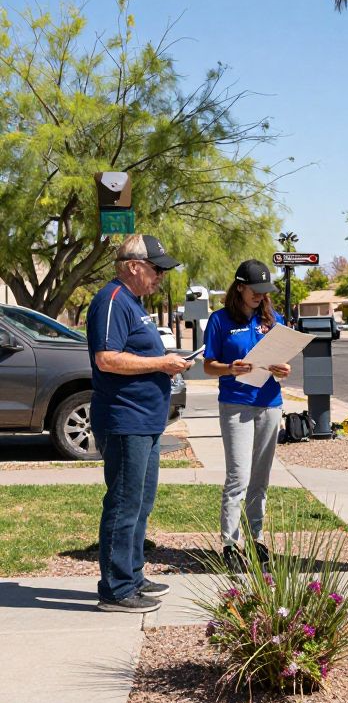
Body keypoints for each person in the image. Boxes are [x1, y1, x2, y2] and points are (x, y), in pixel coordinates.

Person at [87, 235, 193, 612]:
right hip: (124, 419)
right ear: (133, 266)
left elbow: (133, 353)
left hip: (145, 420)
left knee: (141, 502)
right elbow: (107, 359)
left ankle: (131, 574)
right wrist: (162, 364)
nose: (161, 276)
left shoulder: (132, 303)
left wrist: (168, 360)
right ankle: (115, 589)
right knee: (123, 503)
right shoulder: (113, 300)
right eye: (157, 268)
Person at [203, 259, 291, 572]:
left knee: (260, 479)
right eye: (255, 290)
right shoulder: (219, 320)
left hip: (269, 402)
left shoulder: (272, 318)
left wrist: (283, 369)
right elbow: (208, 364)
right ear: (240, 287)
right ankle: (230, 543)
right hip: (236, 404)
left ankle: (256, 538)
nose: (260, 295)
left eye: (265, 291)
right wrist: (229, 368)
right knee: (238, 477)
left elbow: (281, 362)